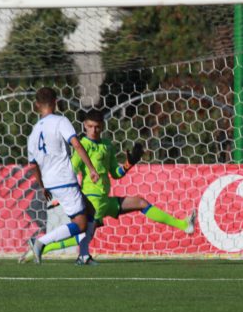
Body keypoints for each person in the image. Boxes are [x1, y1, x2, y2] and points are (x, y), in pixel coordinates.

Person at [20, 109, 196, 265]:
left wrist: (129, 163)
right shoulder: (83, 146)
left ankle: (184, 225)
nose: (94, 130)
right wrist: (63, 195)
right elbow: (71, 170)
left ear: (102, 127)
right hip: (92, 199)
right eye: (90, 126)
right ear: (85, 126)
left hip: (105, 199)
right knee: (84, 233)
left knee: (139, 203)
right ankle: (55, 250)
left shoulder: (107, 145)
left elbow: (116, 173)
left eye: (97, 127)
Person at [18, 87, 100, 265]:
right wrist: (92, 169)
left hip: (50, 181)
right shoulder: (60, 121)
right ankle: (40, 242)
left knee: (91, 211)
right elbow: (76, 145)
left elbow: (33, 165)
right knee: (81, 224)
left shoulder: (32, 133)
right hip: (64, 179)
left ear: (36, 105)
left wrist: (42, 186)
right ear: (56, 102)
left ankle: (84, 256)